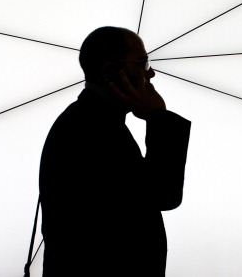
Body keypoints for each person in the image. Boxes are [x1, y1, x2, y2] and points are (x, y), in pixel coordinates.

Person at [39, 26, 191, 276]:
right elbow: (163, 193)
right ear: (110, 72)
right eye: (142, 63)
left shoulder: (87, 121)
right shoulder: (90, 129)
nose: (150, 73)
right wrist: (158, 117)